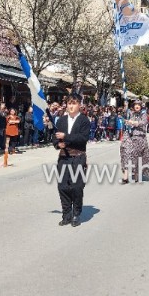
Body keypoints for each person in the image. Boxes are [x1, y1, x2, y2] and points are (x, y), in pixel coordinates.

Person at [53, 93, 91, 227]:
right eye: (69, 103)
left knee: (76, 186)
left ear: (79, 105)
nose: (71, 106)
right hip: (64, 157)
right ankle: (66, 214)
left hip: (78, 157)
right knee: (62, 186)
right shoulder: (61, 120)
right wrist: (59, 144)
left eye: (74, 103)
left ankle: (76, 213)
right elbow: (55, 138)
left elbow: (83, 138)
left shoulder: (84, 120)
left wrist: (66, 137)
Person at [119, 100, 149, 184]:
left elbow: (144, 122)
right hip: (129, 136)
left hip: (139, 137)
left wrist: (134, 123)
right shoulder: (130, 113)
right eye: (135, 105)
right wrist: (126, 121)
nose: (137, 106)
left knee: (137, 157)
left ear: (141, 106)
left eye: (138, 105)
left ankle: (136, 174)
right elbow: (124, 119)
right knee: (126, 153)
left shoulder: (143, 114)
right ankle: (125, 177)